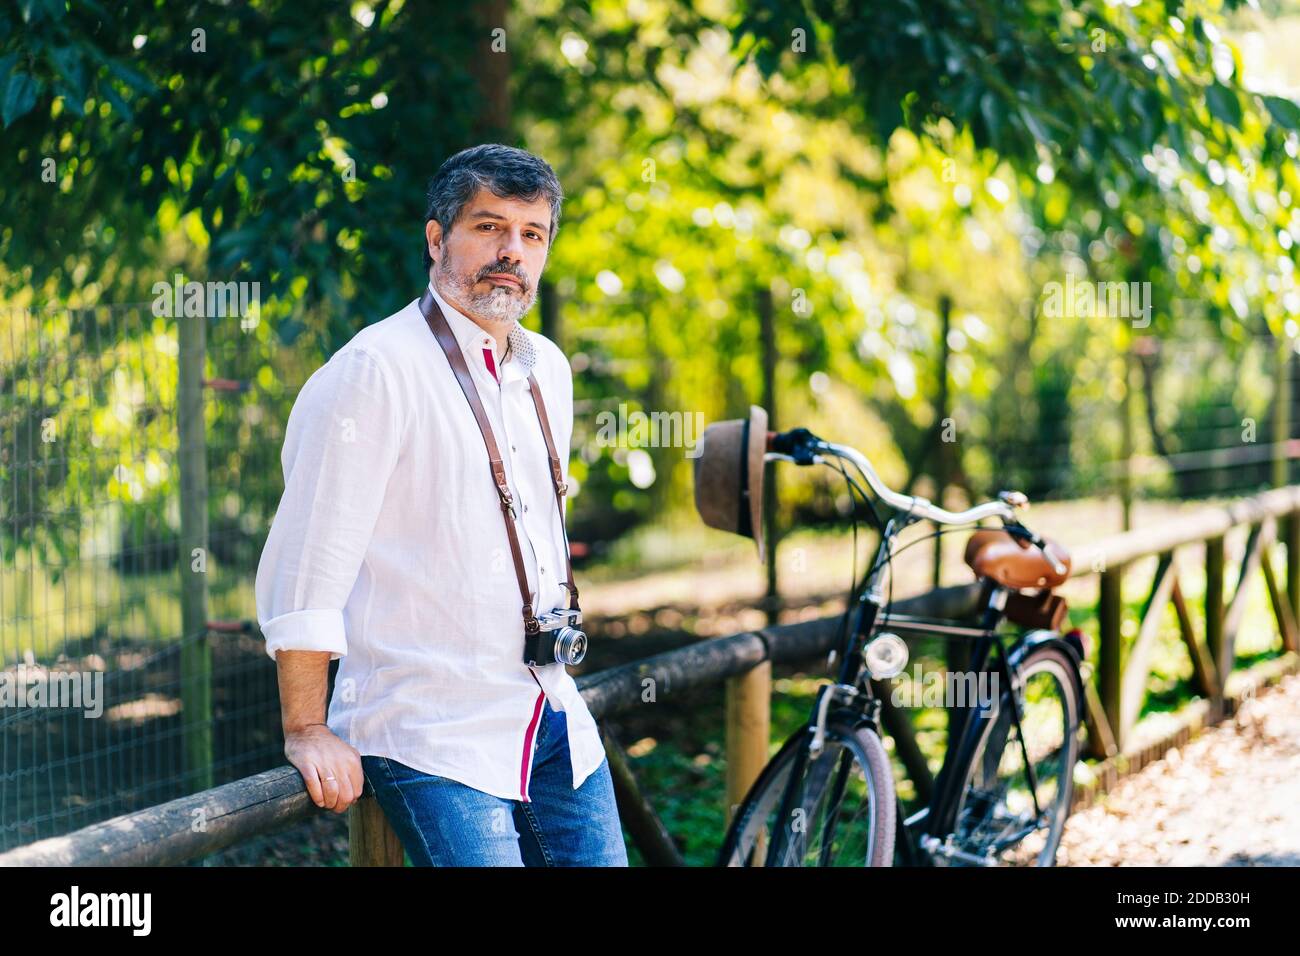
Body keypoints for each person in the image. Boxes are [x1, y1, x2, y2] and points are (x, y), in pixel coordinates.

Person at [254, 144, 628, 866]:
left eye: (531, 234)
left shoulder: (546, 367)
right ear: (436, 238)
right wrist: (306, 727)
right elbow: (310, 562)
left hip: (550, 713)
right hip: (431, 729)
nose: (511, 252)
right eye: (488, 227)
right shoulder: (375, 371)